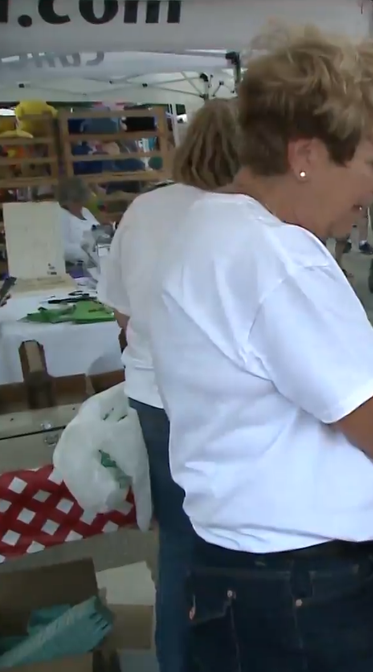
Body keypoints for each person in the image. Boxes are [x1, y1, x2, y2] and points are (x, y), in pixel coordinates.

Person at [145, 25, 373, 671]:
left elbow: (262, 417)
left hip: (257, 577)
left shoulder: (212, 226)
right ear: (306, 154)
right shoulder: (275, 258)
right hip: (297, 593)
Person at [96, 99, 239, 672]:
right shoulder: (246, 214)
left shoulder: (144, 210)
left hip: (154, 395)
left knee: (178, 538)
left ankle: (176, 660)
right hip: (224, 402)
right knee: (236, 539)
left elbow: (123, 315)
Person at [58, 177, 100, 265]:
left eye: (81, 201)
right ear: (66, 201)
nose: (80, 204)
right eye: (76, 201)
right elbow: (62, 248)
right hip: (78, 264)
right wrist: (85, 253)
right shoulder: (61, 215)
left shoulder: (85, 211)